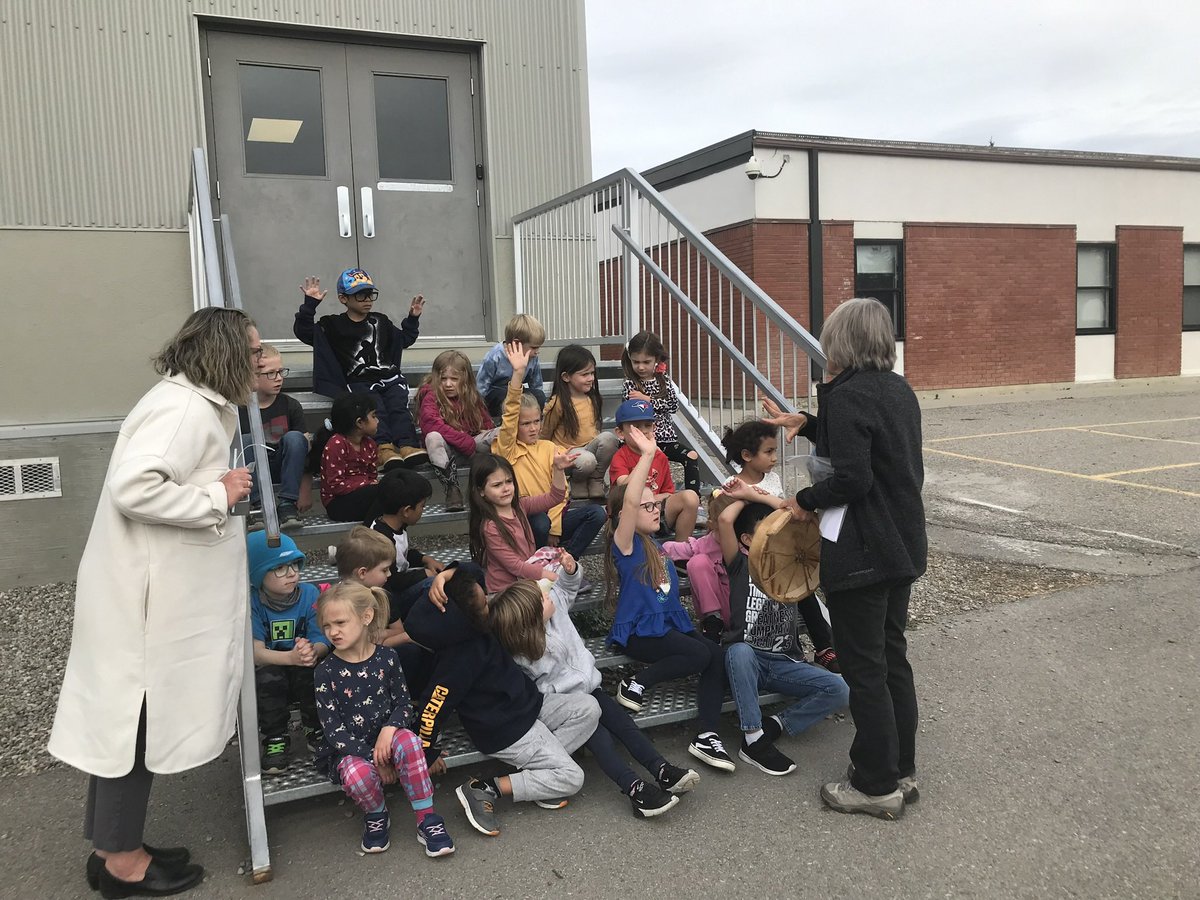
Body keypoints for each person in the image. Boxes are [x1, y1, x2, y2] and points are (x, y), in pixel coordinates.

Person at [48, 307, 259, 897]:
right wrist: (218, 492)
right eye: (252, 349)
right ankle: (122, 862)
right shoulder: (186, 409)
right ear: (223, 351)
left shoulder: (188, 400)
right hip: (148, 602)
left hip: (147, 593)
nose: (261, 359)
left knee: (127, 724)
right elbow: (135, 486)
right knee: (139, 722)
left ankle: (112, 845)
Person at [764, 296, 927, 820]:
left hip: (863, 551)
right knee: (891, 657)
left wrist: (805, 500)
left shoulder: (852, 395)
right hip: (900, 545)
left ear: (843, 343)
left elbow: (854, 476)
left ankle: (876, 785)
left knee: (865, 670)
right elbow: (869, 444)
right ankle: (901, 769)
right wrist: (811, 421)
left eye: (830, 337)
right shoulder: (896, 389)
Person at [491, 560, 700, 818]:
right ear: (531, 618)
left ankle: (661, 769)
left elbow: (565, 589)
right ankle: (634, 789)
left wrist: (570, 571)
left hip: (592, 687)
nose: (547, 593)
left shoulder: (556, 611)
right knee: (601, 740)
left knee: (624, 726)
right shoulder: (523, 652)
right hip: (568, 707)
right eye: (541, 598)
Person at [406, 565, 601, 837]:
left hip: (530, 705)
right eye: (483, 603)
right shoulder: (458, 658)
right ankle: (485, 788)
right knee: (572, 778)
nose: (488, 602)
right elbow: (432, 707)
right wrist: (427, 752)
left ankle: (541, 777)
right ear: (464, 620)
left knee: (589, 708)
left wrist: (446, 575)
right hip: (507, 729)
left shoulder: (473, 624)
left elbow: (474, 573)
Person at [604, 424, 734, 773]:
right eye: (646, 506)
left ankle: (707, 735)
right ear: (623, 518)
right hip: (639, 633)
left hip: (665, 627)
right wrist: (647, 456)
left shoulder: (660, 547)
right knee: (697, 652)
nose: (653, 509)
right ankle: (636, 683)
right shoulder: (626, 546)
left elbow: (709, 542)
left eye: (654, 504)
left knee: (715, 655)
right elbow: (630, 499)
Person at [673, 420, 840, 671]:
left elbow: (786, 511)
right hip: (747, 555)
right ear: (747, 456)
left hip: (778, 550)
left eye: (775, 451)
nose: (774, 457)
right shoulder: (731, 485)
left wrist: (754, 495)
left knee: (803, 590)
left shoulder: (771, 479)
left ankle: (823, 646)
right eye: (769, 452)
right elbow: (727, 522)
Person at [313, 582, 455, 857]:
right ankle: (376, 814)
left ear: (366, 617)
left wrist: (389, 730)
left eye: (341, 622)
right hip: (352, 749)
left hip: (389, 736)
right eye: (327, 626)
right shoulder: (325, 672)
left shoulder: (387, 658)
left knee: (411, 742)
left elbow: (403, 703)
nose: (333, 632)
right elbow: (334, 730)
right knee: (357, 774)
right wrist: (375, 759)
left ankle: (427, 818)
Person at [715, 489, 849, 777]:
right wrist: (746, 496)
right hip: (747, 661)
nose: (773, 536)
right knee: (737, 650)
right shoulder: (739, 565)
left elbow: (799, 516)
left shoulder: (791, 568)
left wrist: (761, 496)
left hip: (784, 662)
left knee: (840, 689)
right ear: (747, 541)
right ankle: (752, 739)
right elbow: (726, 520)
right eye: (764, 532)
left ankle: (774, 724)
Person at [293, 269, 428, 471]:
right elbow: (304, 332)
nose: (367, 300)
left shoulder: (380, 321)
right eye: (360, 294)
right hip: (358, 382)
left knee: (398, 407)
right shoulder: (333, 325)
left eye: (370, 294)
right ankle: (383, 449)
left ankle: (408, 446)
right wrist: (310, 305)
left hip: (390, 377)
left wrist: (412, 319)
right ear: (343, 298)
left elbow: (404, 340)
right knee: (374, 410)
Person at [493, 341, 606, 558]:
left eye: (537, 421)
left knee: (596, 514)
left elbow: (561, 493)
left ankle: (565, 561)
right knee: (540, 521)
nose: (534, 428)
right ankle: (538, 562)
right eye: (526, 424)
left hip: (551, 518)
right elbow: (510, 413)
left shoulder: (549, 447)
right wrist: (518, 373)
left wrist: (555, 526)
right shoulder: (507, 449)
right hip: (523, 520)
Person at [248, 531, 329, 775]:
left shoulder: (310, 594)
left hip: (302, 661)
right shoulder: (252, 601)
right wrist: (290, 657)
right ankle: (275, 738)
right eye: (280, 568)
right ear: (259, 574)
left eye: (294, 564)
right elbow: (255, 652)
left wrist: (311, 652)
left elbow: (323, 638)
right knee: (267, 679)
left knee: (315, 673)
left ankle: (316, 729)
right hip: (271, 664)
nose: (292, 572)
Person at [467, 452, 568, 596]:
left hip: (525, 582)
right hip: (505, 592)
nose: (506, 488)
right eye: (497, 485)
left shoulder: (520, 506)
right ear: (481, 491)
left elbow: (555, 497)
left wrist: (558, 469)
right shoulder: (490, 527)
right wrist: (549, 575)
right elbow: (515, 566)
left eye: (509, 481)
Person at [239, 343, 311, 530]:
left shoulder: (291, 405)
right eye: (271, 373)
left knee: (296, 438)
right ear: (252, 375)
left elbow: (305, 451)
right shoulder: (238, 409)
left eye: (281, 372)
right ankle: (257, 507)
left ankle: (287, 505)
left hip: (282, 467)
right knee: (246, 441)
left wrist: (305, 487)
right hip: (252, 471)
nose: (279, 378)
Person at [608, 399, 699, 541]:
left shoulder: (660, 456)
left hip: (655, 509)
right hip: (628, 515)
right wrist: (646, 455)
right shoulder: (620, 456)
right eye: (636, 427)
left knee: (690, 497)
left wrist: (654, 500)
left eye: (648, 425)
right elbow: (624, 489)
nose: (644, 431)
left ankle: (681, 551)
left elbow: (668, 492)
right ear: (620, 433)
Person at [621, 330, 700, 493]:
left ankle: (694, 497)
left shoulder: (664, 381)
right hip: (640, 440)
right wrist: (649, 403)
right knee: (654, 459)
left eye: (646, 362)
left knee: (691, 455)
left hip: (666, 440)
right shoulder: (630, 384)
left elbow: (673, 406)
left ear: (656, 359)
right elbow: (629, 413)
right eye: (636, 362)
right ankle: (646, 496)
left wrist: (647, 400)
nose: (640, 367)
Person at [417, 349, 496, 511]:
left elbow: (487, 425)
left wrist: (484, 433)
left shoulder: (472, 396)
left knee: (502, 433)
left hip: (472, 450)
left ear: (465, 380)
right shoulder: (431, 396)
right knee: (432, 437)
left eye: (454, 379)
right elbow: (431, 424)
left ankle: (497, 483)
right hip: (446, 453)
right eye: (443, 379)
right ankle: (452, 489)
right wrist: (464, 441)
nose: (448, 384)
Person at [541, 343, 619, 501]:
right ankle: (577, 482)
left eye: (592, 373)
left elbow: (595, 430)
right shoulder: (558, 403)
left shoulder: (592, 397)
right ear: (566, 377)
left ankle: (595, 480)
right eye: (585, 374)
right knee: (587, 460)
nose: (591, 378)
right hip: (568, 453)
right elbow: (545, 434)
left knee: (609, 438)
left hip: (589, 448)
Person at [365, 471, 445, 622]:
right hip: (390, 598)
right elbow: (392, 580)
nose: (423, 510)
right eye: (422, 506)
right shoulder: (381, 539)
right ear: (407, 511)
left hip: (398, 586)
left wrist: (424, 559)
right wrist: (424, 574)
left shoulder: (395, 525)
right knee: (432, 584)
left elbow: (402, 554)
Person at [308, 393, 381, 522]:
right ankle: (373, 532)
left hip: (365, 496)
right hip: (338, 503)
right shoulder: (336, 444)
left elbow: (372, 474)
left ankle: (375, 531)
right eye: (373, 416)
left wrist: (371, 484)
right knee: (383, 492)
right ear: (359, 422)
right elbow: (335, 485)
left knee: (397, 483)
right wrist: (367, 484)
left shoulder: (369, 444)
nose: (378, 421)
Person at [476, 313, 547, 416]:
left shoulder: (533, 357)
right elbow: (481, 386)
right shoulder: (495, 356)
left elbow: (536, 385)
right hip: (496, 395)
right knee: (503, 394)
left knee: (538, 396)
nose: (537, 352)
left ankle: (528, 421)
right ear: (516, 343)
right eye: (534, 347)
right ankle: (503, 423)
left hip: (518, 391)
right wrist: (478, 411)